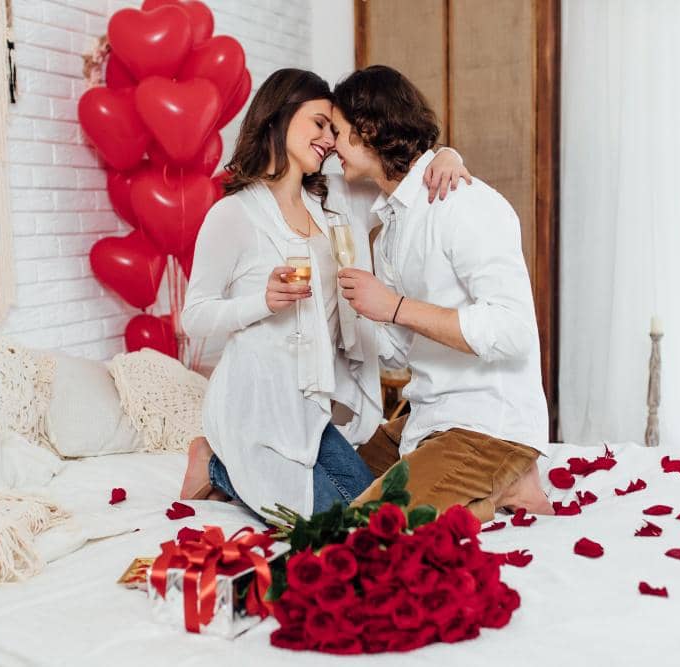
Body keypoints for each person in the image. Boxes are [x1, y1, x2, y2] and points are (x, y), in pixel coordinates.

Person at [179, 68, 470, 518]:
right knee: (338, 521)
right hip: (259, 400)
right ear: (280, 115)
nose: (331, 140)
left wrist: (446, 154)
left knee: (372, 507)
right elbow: (194, 316)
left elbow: (399, 169)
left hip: (312, 404)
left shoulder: (337, 197)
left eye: (335, 130)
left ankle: (224, 465)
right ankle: (216, 462)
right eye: (320, 124)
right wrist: (264, 302)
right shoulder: (232, 216)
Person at [332, 65, 554, 521]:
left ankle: (500, 474)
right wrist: (355, 314)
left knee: (364, 525)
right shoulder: (391, 226)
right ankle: (498, 490)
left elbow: (513, 331)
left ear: (369, 129)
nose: (331, 144)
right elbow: (399, 353)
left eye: (337, 131)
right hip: (426, 418)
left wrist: (393, 306)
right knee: (324, 488)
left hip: (486, 424)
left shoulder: (463, 204)